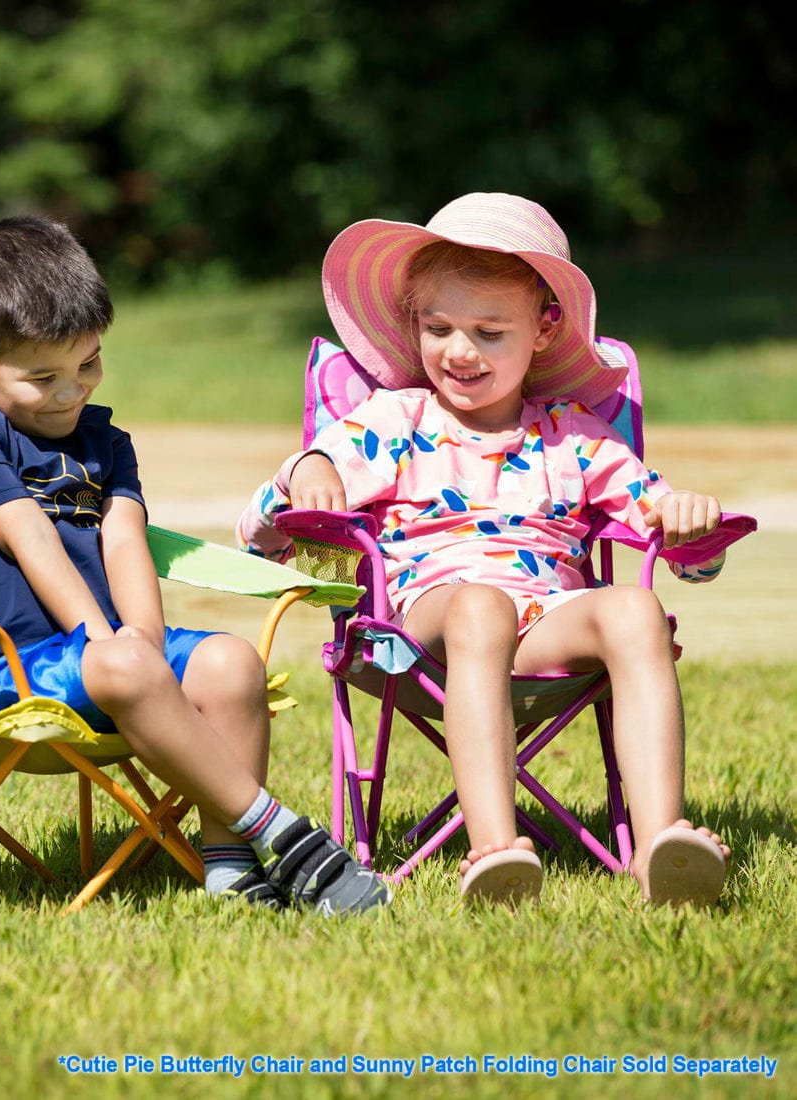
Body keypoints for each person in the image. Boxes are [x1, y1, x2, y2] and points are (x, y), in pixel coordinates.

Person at [238, 192, 731, 907]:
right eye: (438, 327)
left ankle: (663, 843)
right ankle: (496, 851)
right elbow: (262, 527)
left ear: (543, 330)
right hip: (428, 631)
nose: (459, 351)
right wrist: (305, 471)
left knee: (632, 606)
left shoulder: (575, 433)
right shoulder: (393, 420)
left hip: (546, 622)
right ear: (414, 326)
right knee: (482, 607)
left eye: (489, 332)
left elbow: (678, 542)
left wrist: (688, 523)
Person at [0, 215, 391, 916]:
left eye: (88, 364)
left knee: (231, 662)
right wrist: (112, 644)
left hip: (103, 662)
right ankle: (282, 836)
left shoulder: (106, 441)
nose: (71, 391)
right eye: (42, 376)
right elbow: (30, 538)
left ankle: (230, 868)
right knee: (128, 663)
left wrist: (139, 633)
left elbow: (126, 539)